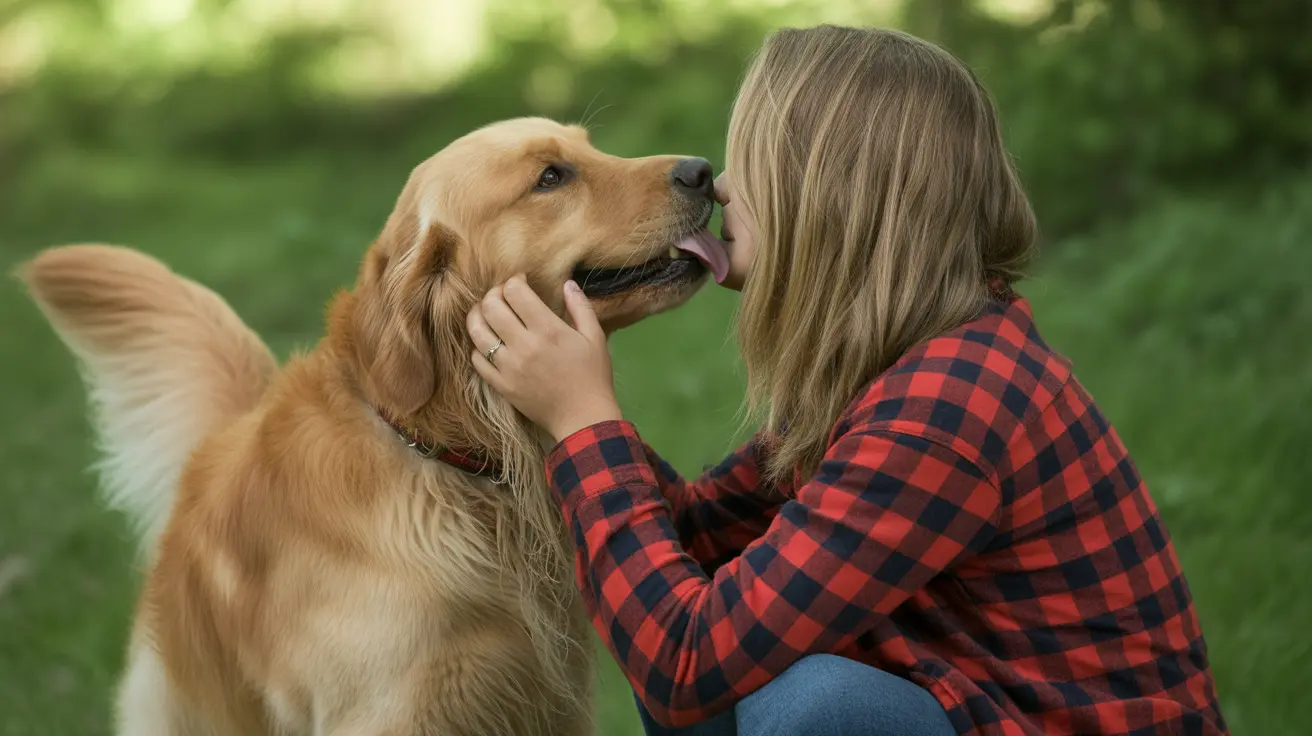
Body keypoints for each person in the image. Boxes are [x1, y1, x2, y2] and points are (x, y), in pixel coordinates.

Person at [465, 24, 1229, 736]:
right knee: (669, 596)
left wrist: (585, 426)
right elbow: (690, 540)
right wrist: (557, 402)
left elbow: (682, 662)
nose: (723, 187)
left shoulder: (945, 409)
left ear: (829, 197)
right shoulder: (900, 367)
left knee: (814, 704)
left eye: (752, 163)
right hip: (987, 705)